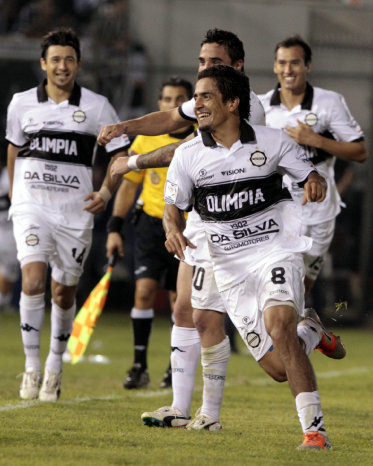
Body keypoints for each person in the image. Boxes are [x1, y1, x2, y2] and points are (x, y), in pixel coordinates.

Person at [102, 29, 345, 432]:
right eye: (200, 62)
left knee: (231, 320)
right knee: (196, 316)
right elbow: (171, 126)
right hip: (211, 227)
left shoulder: (246, 112)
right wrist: (126, 127)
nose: (203, 70)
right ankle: (192, 409)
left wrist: (133, 162)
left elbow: (181, 149)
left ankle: (224, 415)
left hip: (259, 239)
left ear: (235, 70)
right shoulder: (204, 109)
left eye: (211, 63)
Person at [161, 64, 333, 450]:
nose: (197, 105)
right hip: (229, 267)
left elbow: (308, 175)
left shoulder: (274, 142)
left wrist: (314, 181)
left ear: (233, 102)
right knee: (276, 367)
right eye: (196, 97)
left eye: (206, 97)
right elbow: (172, 207)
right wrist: (171, 229)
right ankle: (313, 330)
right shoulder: (188, 155)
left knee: (279, 326)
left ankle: (315, 432)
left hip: (275, 250)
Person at [6, 27, 130, 402]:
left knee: (63, 292)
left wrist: (107, 191)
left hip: (75, 213)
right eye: (55, 59)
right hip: (32, 207)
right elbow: (13, 151)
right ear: (43, 64)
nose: (62, 66)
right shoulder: (21, 103)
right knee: (32, 281)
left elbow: (120, 157)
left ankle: (54, 368)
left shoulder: (97, 106)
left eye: (69, 59)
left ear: (78, 64)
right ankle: (31, 366)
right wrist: (16, 198)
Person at [259, 35, 368, 302]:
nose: (288, 70)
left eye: (295, 63)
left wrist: (315, 140)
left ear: (307, 66)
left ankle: (309, 335)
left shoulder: (328, 102)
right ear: (274, 66)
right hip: (277, 211)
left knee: (300, 293)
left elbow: (360, 151)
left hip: (319, 213)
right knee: (277, 292)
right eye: (282, 63)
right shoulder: (261, 106)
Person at [106, 76, 195, 389]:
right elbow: (129, 187)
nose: (173, 105)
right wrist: (114, 226)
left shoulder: (201, 138)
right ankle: (139, 365)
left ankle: (175, 369)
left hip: (187, 228)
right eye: (168, 99)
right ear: (160, 104)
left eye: (179, 99)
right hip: (149, 225)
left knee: (179, 302)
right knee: (143, 291)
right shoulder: (145, 140)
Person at [0, 153, 19, 312]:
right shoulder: (9, 175)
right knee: (7, 269)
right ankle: (3, 302)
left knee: (9, 270)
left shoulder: (9, 174)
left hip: (9, 228)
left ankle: (3, 301)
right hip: (7, 229)